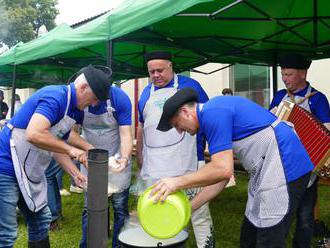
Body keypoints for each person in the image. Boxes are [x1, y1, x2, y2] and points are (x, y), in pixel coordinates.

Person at [153, 87, 314, 248]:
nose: (180, 131)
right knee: (248, 236)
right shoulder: (212, 114)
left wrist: (176, 182)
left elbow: (222, 168)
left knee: (270, 239)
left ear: (185, 112)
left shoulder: (212, 113)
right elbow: (222, 176)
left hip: (286, 163)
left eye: (176, 125)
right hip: (267, 168)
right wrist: (187, 209)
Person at [0, 64, 111, 247]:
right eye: (95, 98)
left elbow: (55, 144)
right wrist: (71, 150)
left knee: (40, 221)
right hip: (6, 167)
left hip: (30, 169)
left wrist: (75, 173)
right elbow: (34, 134)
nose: (94, 104)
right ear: (83, 88)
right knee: (6, 234)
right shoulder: (55, 97)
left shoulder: (75, 110)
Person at [136, 51, 217, 248]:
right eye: (151, 71)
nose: (156, 75)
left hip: (189, 164)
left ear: (171, 66)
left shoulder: (191, 87)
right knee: (158, 213)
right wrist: (140, 157)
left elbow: (206, 116)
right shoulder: (146, 93)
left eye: (160, 70)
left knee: (198, 214)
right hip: (155, 167)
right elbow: (141, 127)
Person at [269, 53, 330, 248]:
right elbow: (268, 124)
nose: (284, 79)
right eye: (283, 74)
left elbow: (326, 131)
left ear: (302, 73)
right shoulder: (279, 96)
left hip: (309, 167)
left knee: (305, 216)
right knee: (280, 213)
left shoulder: (318, 99)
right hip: (283, 163)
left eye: (288, 74)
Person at [77, 84, 133, 248]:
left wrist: (124, 158)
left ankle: (119, 245)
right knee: (91, 209)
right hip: (91, 164)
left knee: (119, 209)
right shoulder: (79, 102)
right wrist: (91, 151)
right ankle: (90, 245)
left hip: (116, 162)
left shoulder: (119, 98)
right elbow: (71, 134)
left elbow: (126, 135)